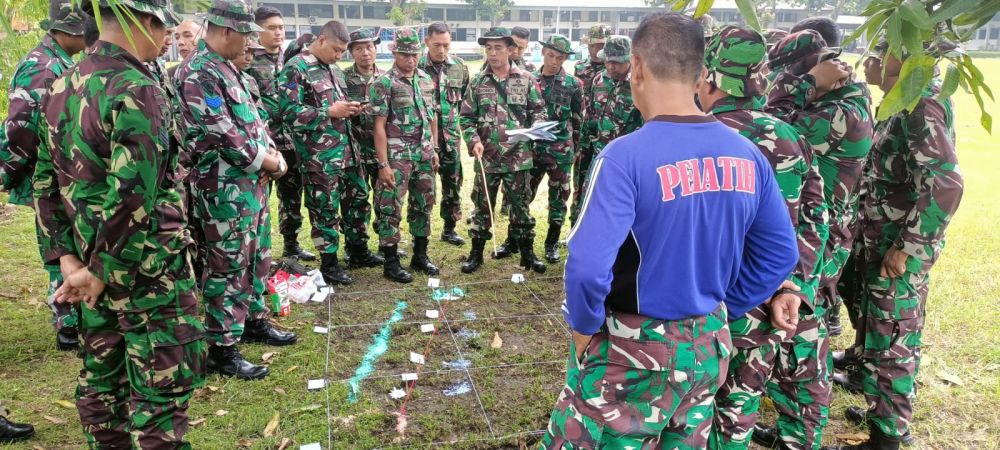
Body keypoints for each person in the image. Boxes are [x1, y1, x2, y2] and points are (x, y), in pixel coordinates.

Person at [539, 12, 799, 449]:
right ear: (700, 75)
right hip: (706, 347)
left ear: (636, 67)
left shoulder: (624, 157)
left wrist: (584, 330)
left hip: (632, 350)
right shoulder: (747, 155)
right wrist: (719, 309)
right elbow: (778, 254)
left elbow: (586, 266)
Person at [35, 0, 205, 445]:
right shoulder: (136, 87)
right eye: (162, 26)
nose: (167, 36)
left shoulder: (61, 85)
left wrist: (71, 263)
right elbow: (133, 194)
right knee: (161, 397)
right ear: (143, 21)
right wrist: (99, 269)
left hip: (91, 272)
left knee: (102, 384)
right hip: (149, 273)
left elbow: (44, 184)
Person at [824, 43, 964, 450]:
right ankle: (878, 408)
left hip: (896, 246)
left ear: (905, 62)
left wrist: (909, 246)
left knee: (894, 337)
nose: (868, 62)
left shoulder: (921, 106)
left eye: (879, 55)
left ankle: (887, 437)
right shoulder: (899, 103)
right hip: (880, 236)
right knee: (876, 329)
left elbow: (947, 183)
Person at [699, 26, 832, 450]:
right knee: (739, 408)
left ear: (709, 76)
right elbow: (816, 218)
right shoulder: (789, 137)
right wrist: (795, 284)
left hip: (709, 304)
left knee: (695, 408)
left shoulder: (696, 137)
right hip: (772, 300)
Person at [754, 29, 874, 448]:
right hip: (815, 232)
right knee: (801, 334)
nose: (779, 82)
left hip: (816, 242)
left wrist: (803, 84)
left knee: (805, 342)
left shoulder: (838, 111)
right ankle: (793, 428)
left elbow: (768, 129)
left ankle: (799, 437)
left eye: (790, 73)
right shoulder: (837, 100)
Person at [176, 0, 295, 382]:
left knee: (257, 255)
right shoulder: (198, 72)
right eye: (245, 35)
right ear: (226, 31)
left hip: (250, 185)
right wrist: (268, 162)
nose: (249, 43)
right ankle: (223, 348)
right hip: (222, 189)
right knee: (226, 265)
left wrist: (272, 153)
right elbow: (219, 130)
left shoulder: (229, 68)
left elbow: (253, 122)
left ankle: (254, 319)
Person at [0, 2, 90, 352]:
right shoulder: (42, 67)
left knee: (67, 241)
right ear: (69, 32)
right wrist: (8, 173)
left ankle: (72, 316)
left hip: (63, 174)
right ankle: (68, 323)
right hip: (47, 176)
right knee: (59, 244)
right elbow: (20, 128)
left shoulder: (60, 62)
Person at [458, 27, 548, 275]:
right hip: (486, 157)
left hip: (518, 158)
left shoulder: (527, 80)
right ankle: (476, 254)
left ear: (510, 49)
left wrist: (537, 127)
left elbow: (539, 111)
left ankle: (528, 255)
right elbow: (466, 118)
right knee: (482, 207)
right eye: (488, 48)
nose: (493, 53)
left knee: (520, 208)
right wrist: (473, 140)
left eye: (498, 47)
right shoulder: (477, 82)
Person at [278, 20, 362, 286]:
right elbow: (288, 113)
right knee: (324, 209)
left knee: (357, 199)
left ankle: (358, 251)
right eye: (336, 50)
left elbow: (337, 107)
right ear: (322, 40)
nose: (339, 56)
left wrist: (349, 109)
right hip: (319, 157)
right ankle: (329, 264)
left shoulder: (334, 70)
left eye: (342, 52)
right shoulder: (296, 67)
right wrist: (328, 112)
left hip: (346, 151)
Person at [370, 27, 440, 283]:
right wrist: (383, 164)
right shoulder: (383, 83)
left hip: (423, 154)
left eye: (414, 54)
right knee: (390, 209)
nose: (410, 59)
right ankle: (391, 262)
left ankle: (420, 256)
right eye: (404, 54)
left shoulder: (425, 79)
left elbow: (431, 116)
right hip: (397, 156)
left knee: (424, 204)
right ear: (395, 54)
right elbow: (378, 126)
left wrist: (434, 148)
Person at [246, 6, 315, 262]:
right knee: (259, 198)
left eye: (281, 27)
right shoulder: (249, 60)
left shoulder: (290, 60)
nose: (278, 32)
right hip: (264, 144)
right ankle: (258, 251)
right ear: (258, 31)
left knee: (292, 196)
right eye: (272, 28)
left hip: (292, 141)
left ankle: (291, 244)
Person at [569, 35, 643, 226]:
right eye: (608, 61)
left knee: (619, 203)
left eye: (617, 63)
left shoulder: (640, 83)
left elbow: (646, 125)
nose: (611, 67)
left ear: (630, 59)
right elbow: (590, 116)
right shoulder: (599, 80)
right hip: (597, 152)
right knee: (587, 196)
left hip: (626, 158)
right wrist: (582, 148)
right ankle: (579, 233)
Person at [530, 34, 583, 263]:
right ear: (543, 52)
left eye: (560, 57)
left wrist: (576, 148)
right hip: (532, 148)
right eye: (551, 55)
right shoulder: (528, 80)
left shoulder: (573, 84)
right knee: (522, 194)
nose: (554, 61)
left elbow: (578, 119)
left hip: (561, 149)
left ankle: (551, 243)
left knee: (558, 197)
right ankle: (516, 238)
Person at [419, 22, 470, 247]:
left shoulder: (459, 67)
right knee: (423, 189)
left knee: (453, 185)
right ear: (426, 42)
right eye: (437, 45)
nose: (442, 50)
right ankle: (421, 233)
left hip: (450, 139)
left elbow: (467, 105)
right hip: (423, 141)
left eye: (446, 45)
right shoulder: (416, 66)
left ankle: (449, 228)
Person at [338, 27, 386, 270]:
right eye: (359, 49)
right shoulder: (342, 79)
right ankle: (356, 248)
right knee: (355, 201)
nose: (366, 53)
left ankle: (387, 244)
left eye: (369, 47)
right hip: (353, 151)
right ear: (351, 52)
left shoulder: (387, 78)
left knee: (385, 200)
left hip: (381, 152)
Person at [574, 24, 612, 103]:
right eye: (591, 46)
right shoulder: (580, 66)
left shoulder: (614, 69)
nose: (595, 51)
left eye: (600, 46)